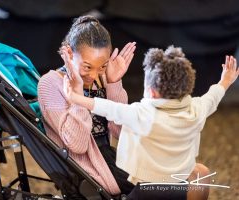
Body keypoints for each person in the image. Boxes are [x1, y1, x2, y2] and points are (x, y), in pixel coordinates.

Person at [63, 46, 239, 200]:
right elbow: (212, 98)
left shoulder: (142, 114)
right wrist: (225, 81)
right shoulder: (196, 109)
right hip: (175, 183)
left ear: (152, 92)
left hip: (145, 190)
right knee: (202, 172)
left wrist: (75, 98)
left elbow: (107, 107)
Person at [38, 15, 136, 197]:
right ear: (68, 53)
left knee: (190, 175)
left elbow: (122, 133)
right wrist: (77, 97)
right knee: (175, 188)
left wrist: (114, 83)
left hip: (111, 159)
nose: (93, 75)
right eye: (87, 67)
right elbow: (78, 145)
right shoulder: (50, 83)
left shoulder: (102, 79)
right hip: (85, 169)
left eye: (102, 67)